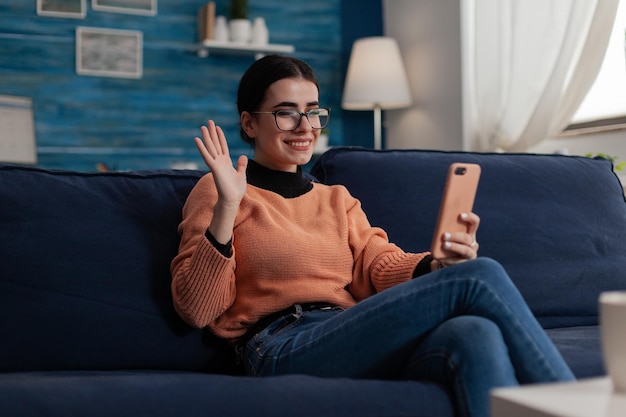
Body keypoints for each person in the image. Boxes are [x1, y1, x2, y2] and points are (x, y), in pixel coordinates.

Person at [170, 55, 574, 417]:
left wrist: (436, 265)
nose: (305, 127)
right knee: (479, 275)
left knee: (474, 333)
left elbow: (377, 263)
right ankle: (574, 406)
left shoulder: (336, 200)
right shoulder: (221, 191)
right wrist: (226, 206)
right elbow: (196, 310)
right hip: (279, 345)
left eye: (312, 112)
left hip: (347, 330)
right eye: (285, 113)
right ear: (249, 123)